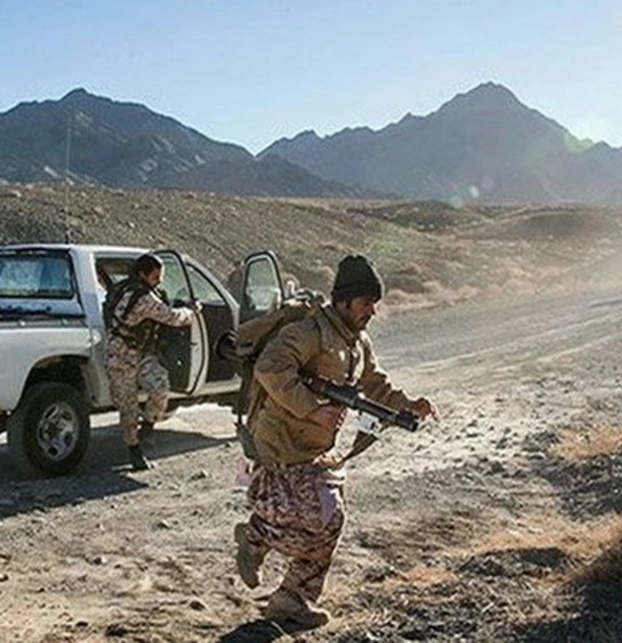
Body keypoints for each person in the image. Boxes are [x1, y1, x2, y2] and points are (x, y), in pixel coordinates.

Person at [233, 254, 437, 629]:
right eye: (365, 303)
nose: (372, 311)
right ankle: (259, 541)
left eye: (375, 304)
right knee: (325, 518)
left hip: (315, 449)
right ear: (343, 301)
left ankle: (289, 593)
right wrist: (311, 409)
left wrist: (409, 405)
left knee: (331, 520)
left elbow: (376, 385)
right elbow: (270, 368)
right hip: (281, 444)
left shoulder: (357, 342)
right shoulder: (308, 332)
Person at [104, 254, 198, 471]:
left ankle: (148, 425)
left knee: (160, 388)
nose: (159, 281)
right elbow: (173, 318)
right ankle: (134, 450)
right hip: (121, 357)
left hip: (142, 354)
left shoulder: (135, 290)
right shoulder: (142, 297)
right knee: (128, 408)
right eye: (155, 277)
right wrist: (191, 312)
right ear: (142, 274)